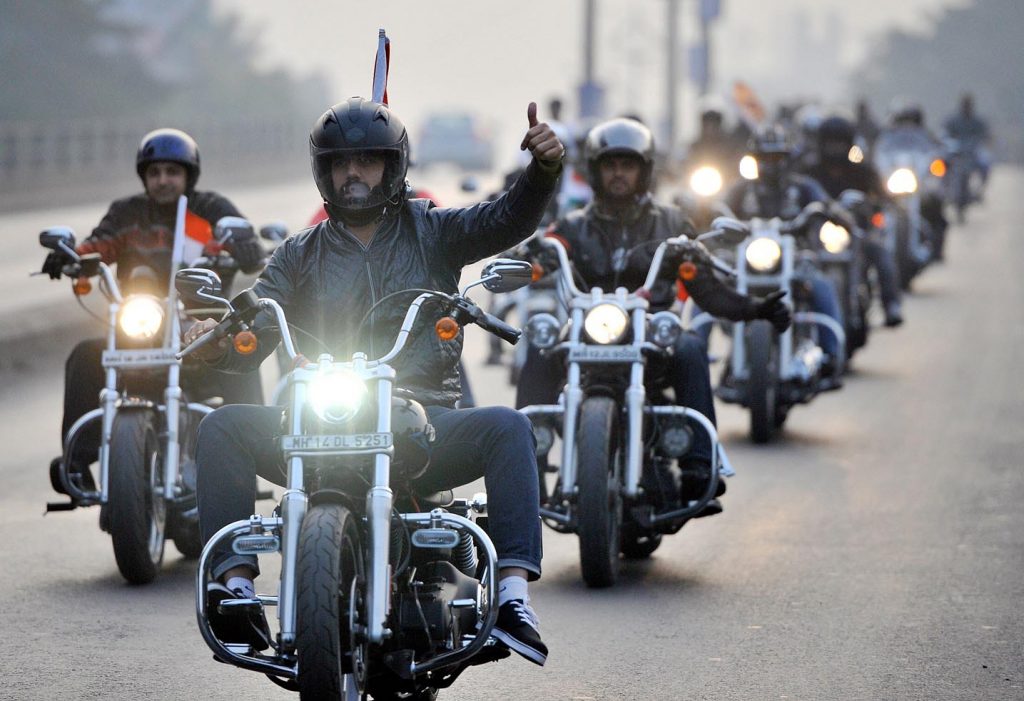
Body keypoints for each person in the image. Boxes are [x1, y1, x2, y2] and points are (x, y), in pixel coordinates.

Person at [183, 97, 564, 665]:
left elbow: (506, 219)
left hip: (423, 418)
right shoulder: (298, 254)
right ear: (324, 172)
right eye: (340, 163)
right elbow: (257, 326)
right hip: (320, 418)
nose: (353, 173)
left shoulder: (432, 230)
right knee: (221, 427)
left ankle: (512, 598)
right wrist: (217, 340)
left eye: (367, 160)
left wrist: (543, 170)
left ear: (393, 166)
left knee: (510, 428)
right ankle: (235, 590)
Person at [514, 117, 791, 517]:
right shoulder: (572, 227)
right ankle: (529, 471)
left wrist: (757, 309)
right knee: (540, 351)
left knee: (690, 348)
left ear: (644, 170)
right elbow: (544, 251)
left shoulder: (672, 224)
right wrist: (526, 256)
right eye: (610, 165)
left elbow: (707, 289)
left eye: (627, 165)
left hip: (653, 331)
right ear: (595, 171)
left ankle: (700, 467)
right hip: (588, 331)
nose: (619, 173)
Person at [42, 128, 265, 496]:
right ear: (144, 176)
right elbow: (98, 245)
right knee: (85, 357)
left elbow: (248, 244)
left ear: (188, 175)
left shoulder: (210, 210)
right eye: (155, 172)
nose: (163, 180)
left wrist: (246, 248)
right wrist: (70, 257)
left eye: (172, 172)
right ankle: (76, 464)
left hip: (200, 331)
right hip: (138, 330)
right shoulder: (127, 213)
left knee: (244, 350)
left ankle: (252, 456)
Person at [722, 125, 846, 374]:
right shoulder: (741, 190)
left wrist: (833, 212)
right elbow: (717, 207)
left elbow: (827, 206)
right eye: (765, 158)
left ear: (788, 159)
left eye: (777, 157)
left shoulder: (804, 188)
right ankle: (699, 348)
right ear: (756, 159)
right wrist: (703, 210)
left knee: (822, 285)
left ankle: (831, 354)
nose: (771, 164)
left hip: (795, 258)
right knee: (710, 283)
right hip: (747, 262)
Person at [943, 93, 992, 185]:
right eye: (965, 105)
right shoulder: (953, 121)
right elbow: (945, 135)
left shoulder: (978, 122)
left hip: (973, 152)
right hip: (956, 152)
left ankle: (982, 185)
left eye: (968, 105)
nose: (966, 107)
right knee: (942, 162)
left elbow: (986, 136)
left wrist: (983, 142)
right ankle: (944, 184)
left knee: (985, 163)